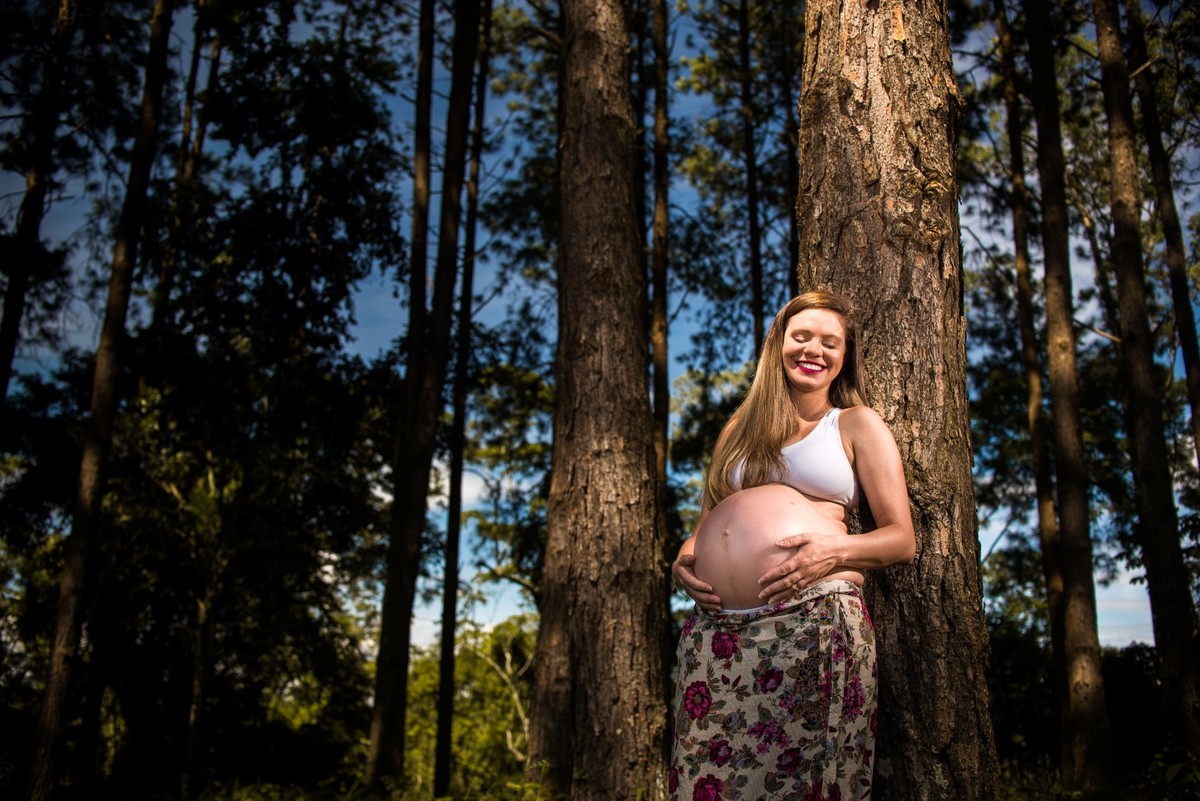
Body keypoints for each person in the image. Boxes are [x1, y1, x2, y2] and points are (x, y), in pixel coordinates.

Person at [668, 291, 915, 801]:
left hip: (812, 622)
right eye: (801, 336)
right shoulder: (737, 430)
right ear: (778, 344)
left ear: (844, 357)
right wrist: (684, 560)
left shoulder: (855, 424)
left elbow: (901, 539)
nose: (813, 350)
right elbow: (706, 523)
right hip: (718, 632)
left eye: (830, 342)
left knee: (806, 782)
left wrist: (833, 552)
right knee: (707, 782)